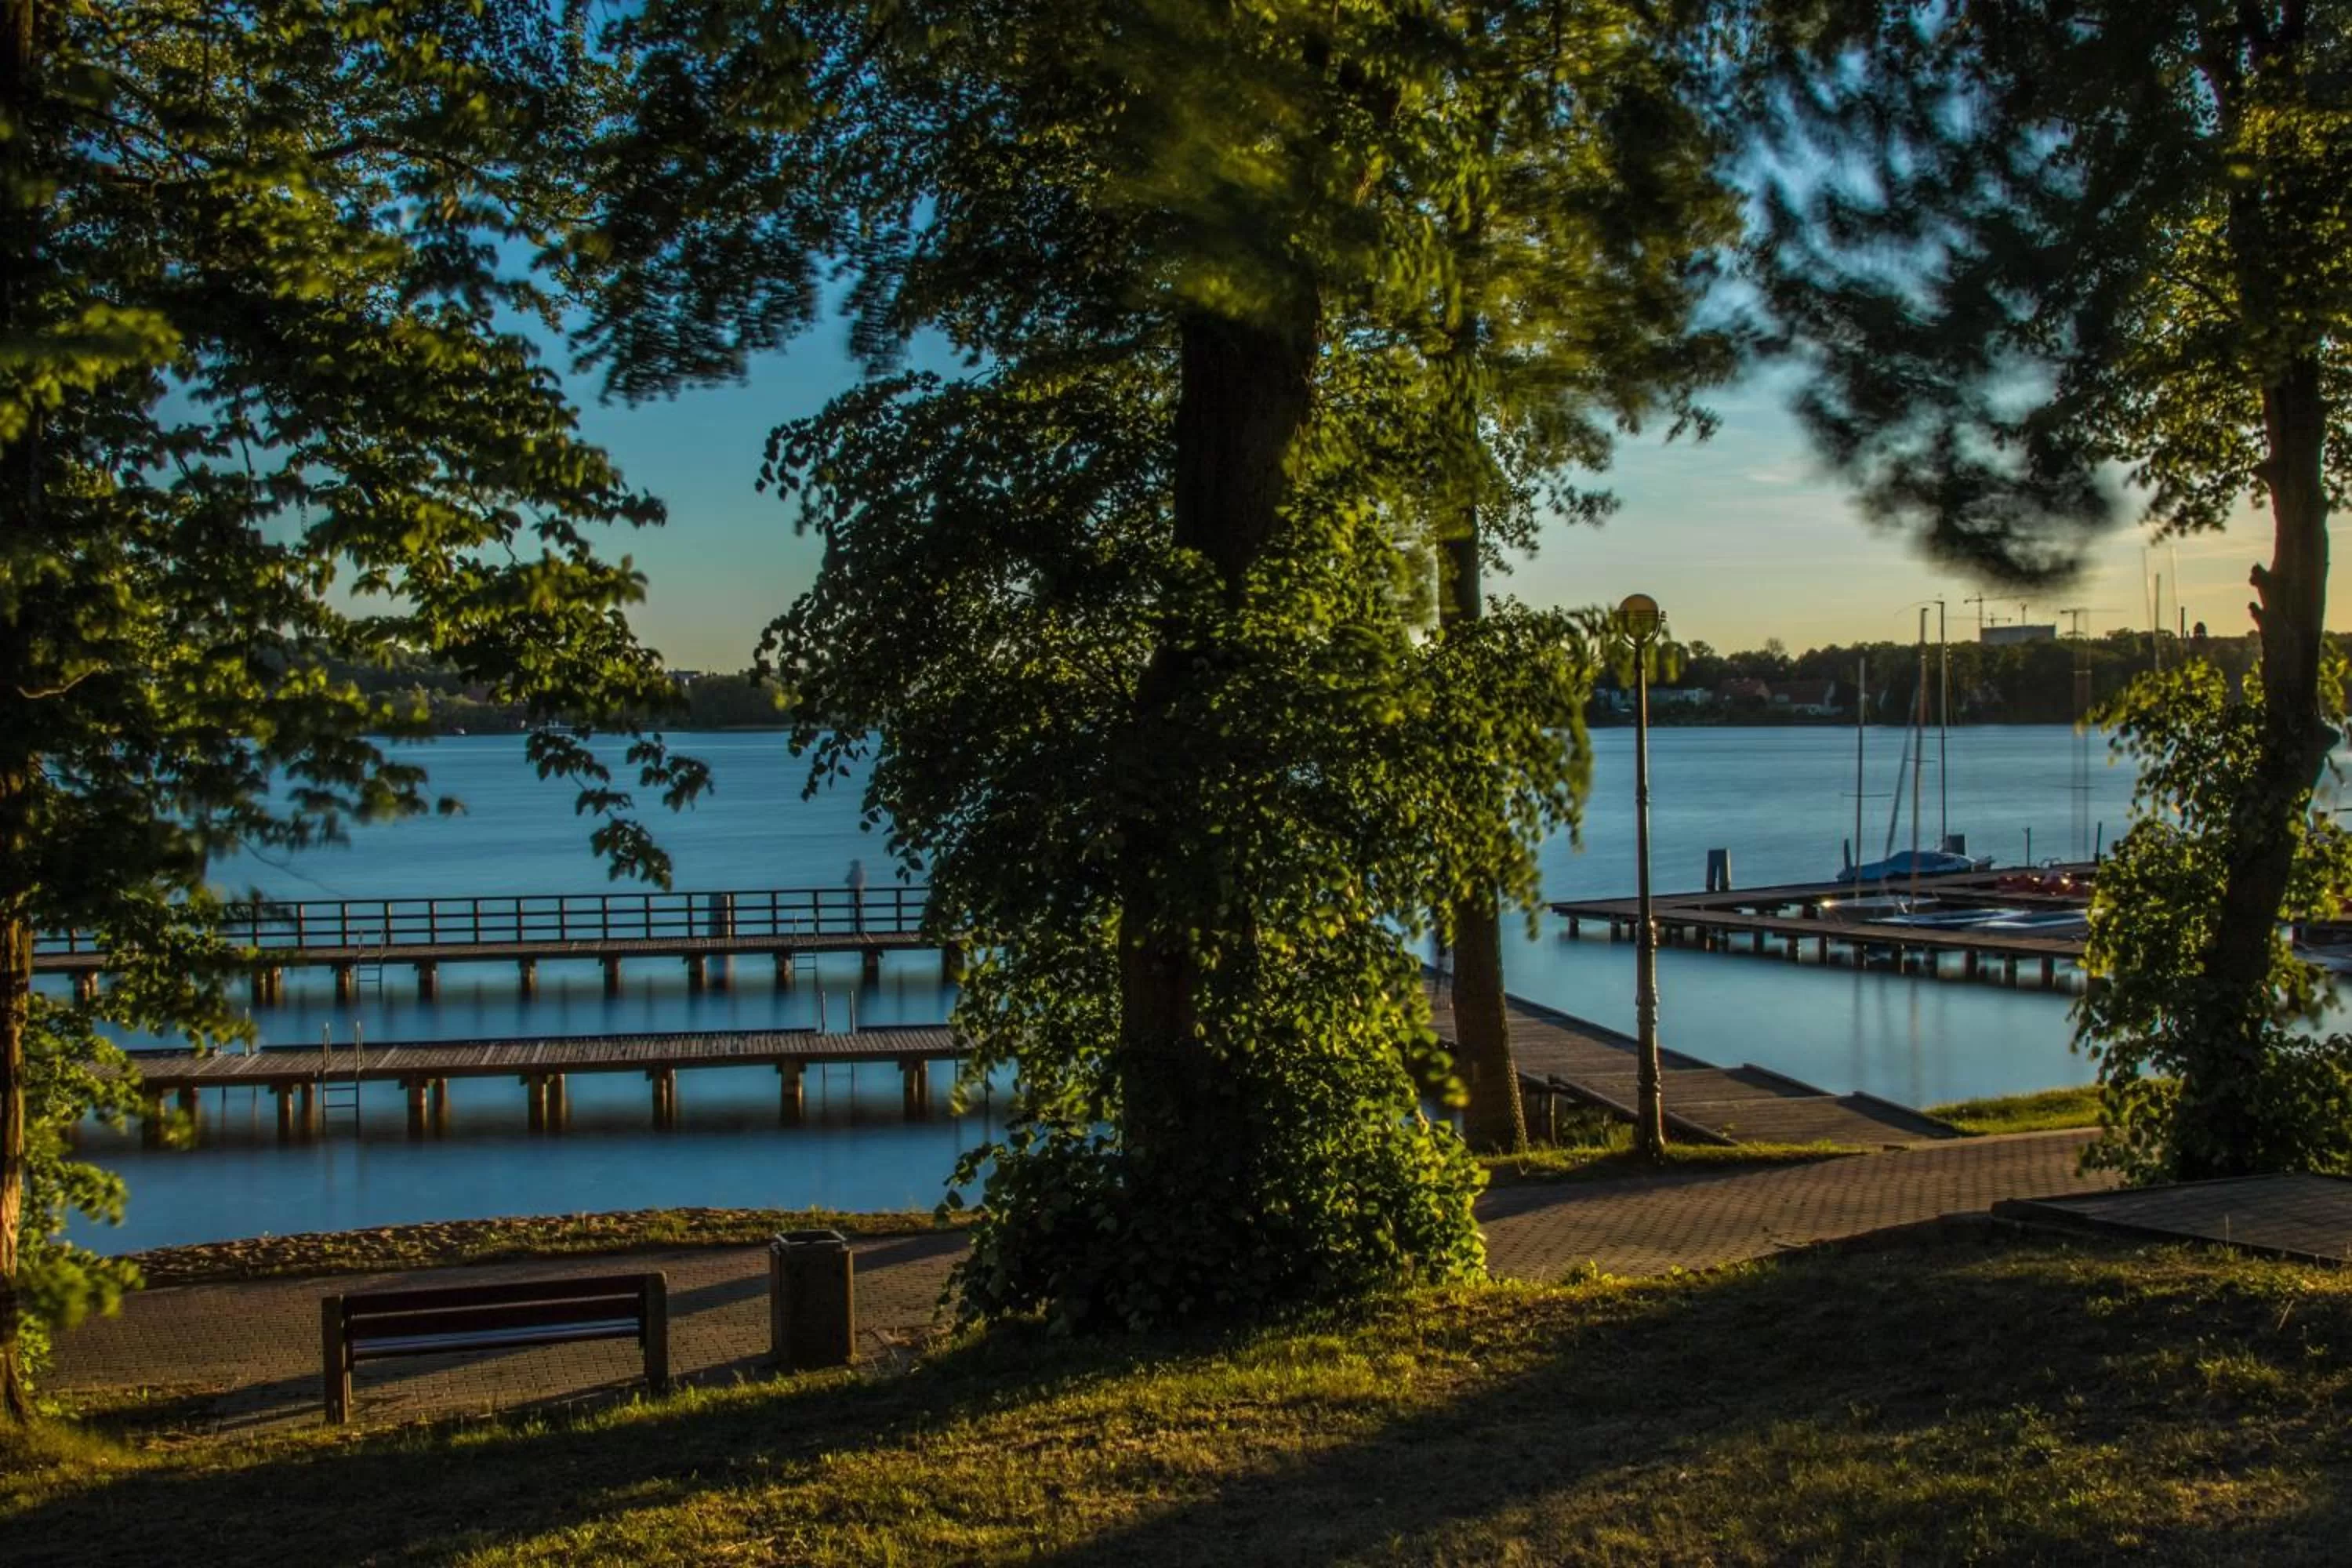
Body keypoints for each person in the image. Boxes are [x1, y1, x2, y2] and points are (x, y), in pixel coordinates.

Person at [846, 858, 867, 935]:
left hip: (854, 893)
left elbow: (847, 880)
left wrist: (851, 874)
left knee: (853, 911)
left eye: (852, 865)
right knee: (859, 911)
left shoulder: (854, 872)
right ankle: (861, 929)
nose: (851, 866)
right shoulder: (862, 872)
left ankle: (854, 929)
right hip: (860, 893)